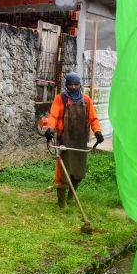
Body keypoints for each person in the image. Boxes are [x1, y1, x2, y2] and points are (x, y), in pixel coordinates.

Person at [45, 72, 104, 208]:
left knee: (78, 170)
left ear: (80, 85)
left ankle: (71, 198)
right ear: (66, 85)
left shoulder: (86, 100)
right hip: (65, 140)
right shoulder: (61, 99)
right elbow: (53, 116)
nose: (73, 87)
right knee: (63, 172)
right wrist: (50, 129)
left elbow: (93, 119)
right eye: (70, 85)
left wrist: (98, 131)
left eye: (76, 84)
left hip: (80, 141)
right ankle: (61, 204)